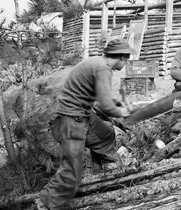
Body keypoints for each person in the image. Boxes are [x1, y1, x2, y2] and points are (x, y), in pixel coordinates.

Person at [37, 39, 134, 210]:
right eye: (126, 58)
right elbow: (105, 106)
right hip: (72, 120)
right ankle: (44, 203)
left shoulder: (97, 62)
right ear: (121, 57)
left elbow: (100, 96)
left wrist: (117, 101)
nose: (125, 62)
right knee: (72, 173)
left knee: (105, 134)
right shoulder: (103, 68)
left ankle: (106, 173)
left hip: (81, 115)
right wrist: (123, 113)